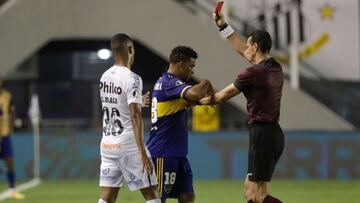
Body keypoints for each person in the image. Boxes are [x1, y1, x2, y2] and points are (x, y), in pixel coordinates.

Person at [199, 11, 285, 203]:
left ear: (255, 46)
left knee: (256, 195)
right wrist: (223, 26)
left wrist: (192, 100)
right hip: (274, 134)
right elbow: (243, 51)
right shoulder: (275, 68)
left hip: (261, 135)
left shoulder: (252, 73)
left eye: (248, 45)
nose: (245, 49)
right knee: (252, 190)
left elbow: (220, 97)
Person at [98, 33, 160, 203]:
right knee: (152, 194)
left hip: (108, 144)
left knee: (108, 196)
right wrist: (142, 153)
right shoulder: (132, 78)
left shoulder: (105, 76)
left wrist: (138, 101)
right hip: (128, 145)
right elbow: (134, 115)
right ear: (130, 49)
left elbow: (116, 105)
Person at [146, 46, 214, 203]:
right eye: (191, 66)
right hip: (163, 153)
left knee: (187, 196)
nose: (192, 71)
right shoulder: (170, 83)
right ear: (181, 64)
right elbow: (196, 93)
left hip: (177, 153)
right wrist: (207, 82)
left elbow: (196, 100)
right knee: (158, 199)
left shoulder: (170, 86)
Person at [0, 81, 25, 199]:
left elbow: (11, 111)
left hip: (5, 134)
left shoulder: (7, 95)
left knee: (9, 161)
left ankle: (13, 189)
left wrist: (12, 124)